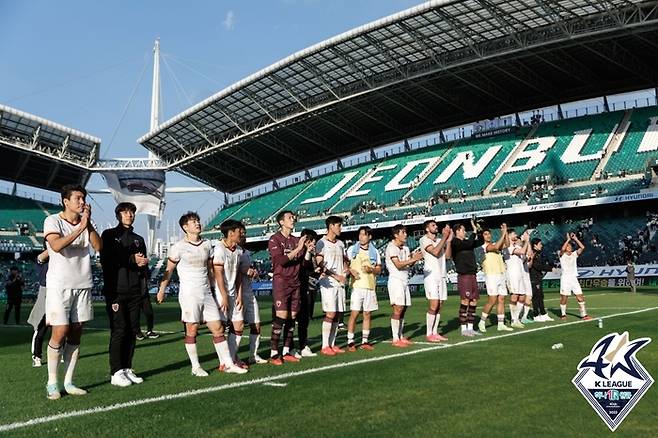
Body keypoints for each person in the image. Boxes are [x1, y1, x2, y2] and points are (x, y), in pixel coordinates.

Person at [157, 212, 246, 376]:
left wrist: (215, 288)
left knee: (218, 327)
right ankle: (196, 366)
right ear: (185, 227)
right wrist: (162, 289)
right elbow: (168, 270)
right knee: (191, 328)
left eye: (197, 220)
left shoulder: (206, 244)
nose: (197, 223)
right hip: (190, 294)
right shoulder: (178, 247)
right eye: (193, 222)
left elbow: (210, 269)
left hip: (206, 292)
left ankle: (227, 363)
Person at [43, 184, 102, 400]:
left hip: (83, 283)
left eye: (83, 198)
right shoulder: (53, 221)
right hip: (60, 285)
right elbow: (56, 246)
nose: (82, 201)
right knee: (60, 331)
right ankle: (52, 382)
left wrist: (88, 225)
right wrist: (79, 228)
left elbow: (98, 246)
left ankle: (68, 381)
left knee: (76, 331)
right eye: (77, 198)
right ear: (65, 201)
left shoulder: (86, 224)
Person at [100, 202, 149, 387]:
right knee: (119, 330)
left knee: (132, 330)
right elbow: (107, 259)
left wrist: (144, 265)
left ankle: (127, 368)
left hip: (135, 290)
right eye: (125, 212)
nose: (129, 215)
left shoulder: (139, 239)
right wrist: (131, 259)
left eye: (132, 212)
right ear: (118, 215)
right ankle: (116, 371)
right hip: (116, 291)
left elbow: (142, 263)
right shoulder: (109, 235)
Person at [267, 210, 308, 365]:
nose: (293, 219)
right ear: (281, 222)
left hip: (295, 283)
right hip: (281, 282)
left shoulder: (296, 239)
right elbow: (281, 261)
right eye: (289, 218)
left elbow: (303, 263)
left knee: (292, 316)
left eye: (293, 217)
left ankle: (286, 350)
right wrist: (298, 249)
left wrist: (308, 251)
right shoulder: (274, 239)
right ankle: (273, 353)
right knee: (282, 316)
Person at [213, 219, 248, 369]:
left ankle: (232, 358)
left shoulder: (239, 250)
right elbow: (218, 273)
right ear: (231, 233)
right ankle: (224, 362)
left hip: (234, 293)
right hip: (221, 294)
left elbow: (239, 275)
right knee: (220, 327)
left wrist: (239, 294)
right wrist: (224, 295)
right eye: (239, 231)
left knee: (239, 325)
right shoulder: (219, 249)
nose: (242, 233)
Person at [316, 216, 349, 356]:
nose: (340, 228)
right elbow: (319, 264)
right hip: (328, 283)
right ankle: (325, 345)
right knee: (330, 313)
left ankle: (332, 344)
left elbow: (345, 260)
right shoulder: (321, 243)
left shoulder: (341, 244)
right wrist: (336, 276)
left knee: (337, 314)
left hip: (340, 282)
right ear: (331, 226)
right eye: (338, 225)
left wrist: (346, 271)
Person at [385, 224, 422, 347]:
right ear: (396, 235)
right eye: (403, 232)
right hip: (396, 280)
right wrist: (413, 259)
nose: (406, 235)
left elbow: (408, 265)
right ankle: (395, 338)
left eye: (406, 232)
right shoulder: (391, 248)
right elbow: (399, 265)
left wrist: (414, 259)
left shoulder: (405, 248)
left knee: (404, 308)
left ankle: (400, 335)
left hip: (405, 280)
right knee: (398, 308)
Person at [346, 226, 382, 351]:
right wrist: (351, 271)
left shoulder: (375, 252)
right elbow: (345, 263)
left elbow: (379, 269)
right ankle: (350, 341)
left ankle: (365, 341)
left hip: (370, 286)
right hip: (357, 286)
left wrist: (371, 269)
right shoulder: (352, 250)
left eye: (364, 234)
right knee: (354, 313)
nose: (361, 237)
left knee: (367, 314)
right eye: (360, 234)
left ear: (369, 236)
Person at [238, 224, 267, 365]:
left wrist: (251, 272)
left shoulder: (247, 253)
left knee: (256, 324)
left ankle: (253, 355)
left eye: (244, 233)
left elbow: (246, 270)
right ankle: (232, 357)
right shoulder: (229, 251)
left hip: (249, 292)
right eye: (241, 233)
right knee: (237, 327)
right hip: (236, 294)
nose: (243, 236)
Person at [419, 220, 452, 342]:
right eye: (433, 225)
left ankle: (435, 331)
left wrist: (448, 241)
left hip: (441, 274)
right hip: (431, 276)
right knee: (434, 305)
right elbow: (435, 251)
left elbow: (447, 256)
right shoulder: (424, 240)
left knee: (440, 305)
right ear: (427, 229)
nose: (436, 227)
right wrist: (444, 237)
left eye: (436, 225)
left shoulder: (439, 240)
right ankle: (429, 333)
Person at [477, 224, 514, 332]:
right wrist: (503, 233)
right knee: (492, 300)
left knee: (502, 299)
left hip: (501, 274)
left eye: (489, 234)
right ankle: (482, 322)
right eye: (486, 234)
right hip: (491, 275)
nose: (488, 236)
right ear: (482, 236)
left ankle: (501, 324)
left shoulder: (493, 244)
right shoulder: (484, 247)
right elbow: (497, 247)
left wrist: (505, 232)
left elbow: (506, 244)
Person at [451, 219, 484, 336]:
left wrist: (479, 230)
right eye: (463, 230)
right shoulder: (455, 242)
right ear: (457, 231)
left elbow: (480, 241)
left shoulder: (466, 242)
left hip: (472, 274)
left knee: (473, 301)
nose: (465, 232)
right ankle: (463, 328)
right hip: (464, 275)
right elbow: (469, 243)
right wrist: (474, 232)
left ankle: (470, 327)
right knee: (465, 300)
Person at [559, 233, 592, 321]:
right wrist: (568, 240)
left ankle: (584, 314)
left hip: (574, 278)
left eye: (570, 246)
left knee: (580, 296)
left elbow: (582, 248)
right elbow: (562, 249)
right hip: (565, 279)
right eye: (568, 246)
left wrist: (576, 239)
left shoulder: (574, 254)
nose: (570, 247)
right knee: (564, 298)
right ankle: (563, 314)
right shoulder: (561, 255)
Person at [503, 229, 531, 329]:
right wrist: (526, 241)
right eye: (514, 234)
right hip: (512, 274)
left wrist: (528, 241)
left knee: (522, 296)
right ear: (509, 236)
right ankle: (513, 319)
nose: (516, 235)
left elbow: (528, 254)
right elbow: (523, 251)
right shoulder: (508, 247)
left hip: (520, 275)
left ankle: (516, 318)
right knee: (514, 296)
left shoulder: (517, 246)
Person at [298, 228, 319, 357]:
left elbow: (310, 269)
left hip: (306, 287)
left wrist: (317, 272)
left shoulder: (311, 253)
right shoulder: (297, 251)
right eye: (312, 242)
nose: (313, 245)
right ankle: (284, 348)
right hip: (295, 288)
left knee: (304, 320)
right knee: (288, 319)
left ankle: (303, 346)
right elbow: (303, 266)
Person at [28, 249, 49, 367]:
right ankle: (37, 356)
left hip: (58, 290)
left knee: (60, 327)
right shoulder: (42, 257)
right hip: (45, 291)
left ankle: (60, 353)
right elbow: (41, 257)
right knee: (40, 329)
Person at [528, 238, 554, 321]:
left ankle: (543, 313)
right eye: (540, 244)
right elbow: (537, 266)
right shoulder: (533, 253)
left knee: (540, 296)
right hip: (534, 278)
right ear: (535, 245)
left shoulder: (538, 253)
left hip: (538, 277)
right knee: (536, 297)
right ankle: (536, 315)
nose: (541, 245)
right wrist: (550, 269)